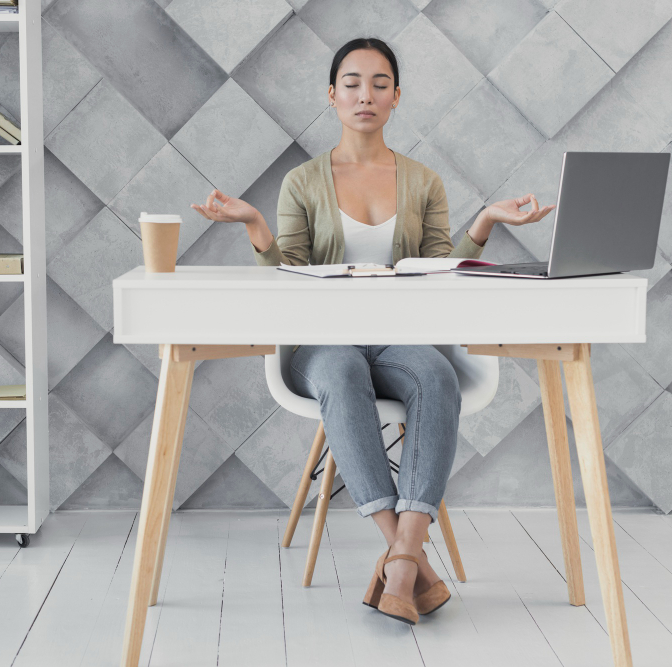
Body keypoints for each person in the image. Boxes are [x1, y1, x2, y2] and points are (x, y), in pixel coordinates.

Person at [191, 37, 554, 625]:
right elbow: (291, 277)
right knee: (341, 371)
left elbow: (440, 270)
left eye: (380, 83)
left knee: (436, 376)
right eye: (353, 83)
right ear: (332, 96)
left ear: (396, 97)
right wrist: (256, 226)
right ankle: (409, 558)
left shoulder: (424, 182)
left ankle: (402, 559)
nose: (366, 95)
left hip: (395, 337)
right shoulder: (302, 182)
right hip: (320, 342)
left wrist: (485, 221)